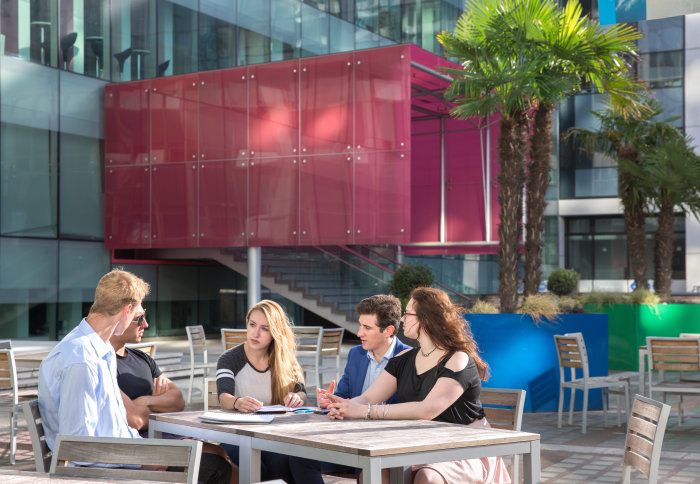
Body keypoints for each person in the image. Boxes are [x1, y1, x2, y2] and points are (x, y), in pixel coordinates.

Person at [324, 287, 511, 484]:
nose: (402, 319)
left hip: (463, 449)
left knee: (428, 477)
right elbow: (368, 397)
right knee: (376, 473)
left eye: (407, 313)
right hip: (417, 447)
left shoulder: (458, 359)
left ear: (426, 319)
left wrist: (365, 411)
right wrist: (344, 406)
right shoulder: (403, 359)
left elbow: (427, 410)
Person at [289, 294, 411, 483]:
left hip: (385, 446)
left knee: (372, 475)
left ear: (388, 330)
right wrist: (330, 401)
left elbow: (410, 410)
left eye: (367, 327)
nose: (359, 333)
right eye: (360, 325)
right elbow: (343, 395)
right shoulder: (356, 354)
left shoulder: (408, 358)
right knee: (298, 457)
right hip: (349, 441)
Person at [109, 310, 235, 484]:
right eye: (139, 319)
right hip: (139, 446)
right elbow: (133, 420)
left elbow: (178, 401)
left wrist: (143, 401)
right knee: (219, 461)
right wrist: (158, 405)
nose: (146, 324)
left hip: (165, 435)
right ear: (122, 317)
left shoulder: (143, 358)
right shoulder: (104, 363)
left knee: (226, 457)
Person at [38, 268, 149, 450]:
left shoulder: (101, 349)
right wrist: (142, 461)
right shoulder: (82, 359)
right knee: (199, 459)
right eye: (139, 315)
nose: (144, 323)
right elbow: (79, 447)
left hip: (121, 454)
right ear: (127, 309)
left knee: (198, 453)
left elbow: (116, 429)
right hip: (103, 469)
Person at [216, 299, 306, 484]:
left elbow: (302, 391)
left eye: (265, 328)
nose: (255, 333)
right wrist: (237, 402)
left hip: (273, 434)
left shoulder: (284, 360)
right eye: (252, 325)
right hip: (237, 435)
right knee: (260, 466)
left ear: (275, 332)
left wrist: (297, 397)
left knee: (284, 463)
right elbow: (223, 396)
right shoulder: (229, 358)